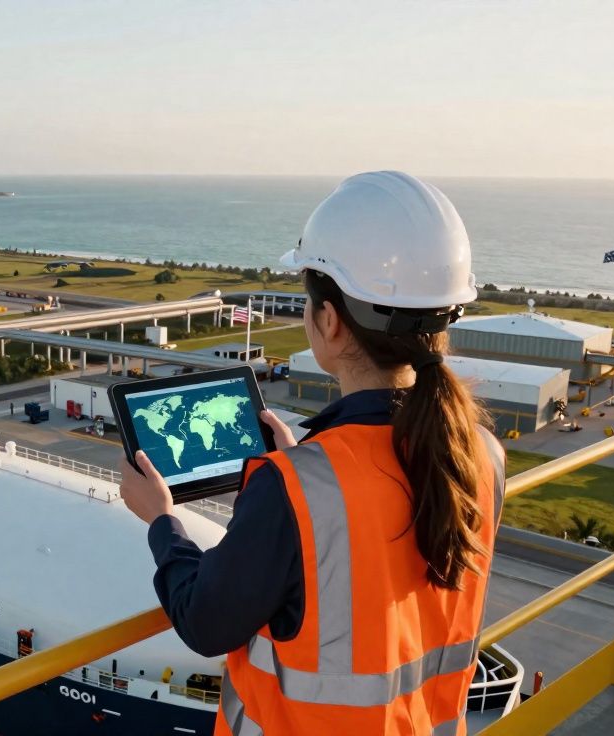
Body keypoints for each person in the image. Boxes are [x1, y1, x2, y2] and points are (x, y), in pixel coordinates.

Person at [119, 171, 505, 735]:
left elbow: (206, 621)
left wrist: (161, 519)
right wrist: (313, 463)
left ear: (329, 321)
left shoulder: (295, 489)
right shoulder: (482, 452)